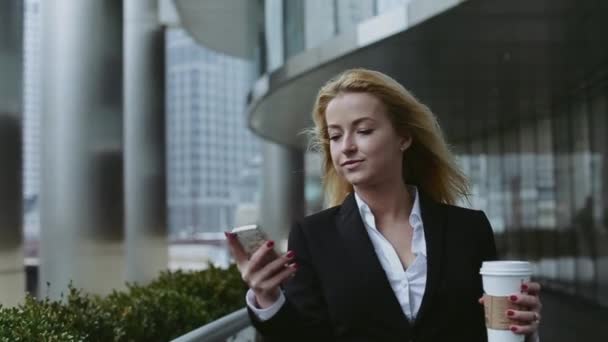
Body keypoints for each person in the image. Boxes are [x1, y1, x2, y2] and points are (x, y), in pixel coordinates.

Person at [226, 69, 542, 341]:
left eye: (363, 130)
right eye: (335, 136)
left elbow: (491, 328)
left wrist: (524, 327)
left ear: (403, 137)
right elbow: (305, 337)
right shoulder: (313, 236)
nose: (347, 146)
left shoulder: (468, 229)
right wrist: (267, 298)